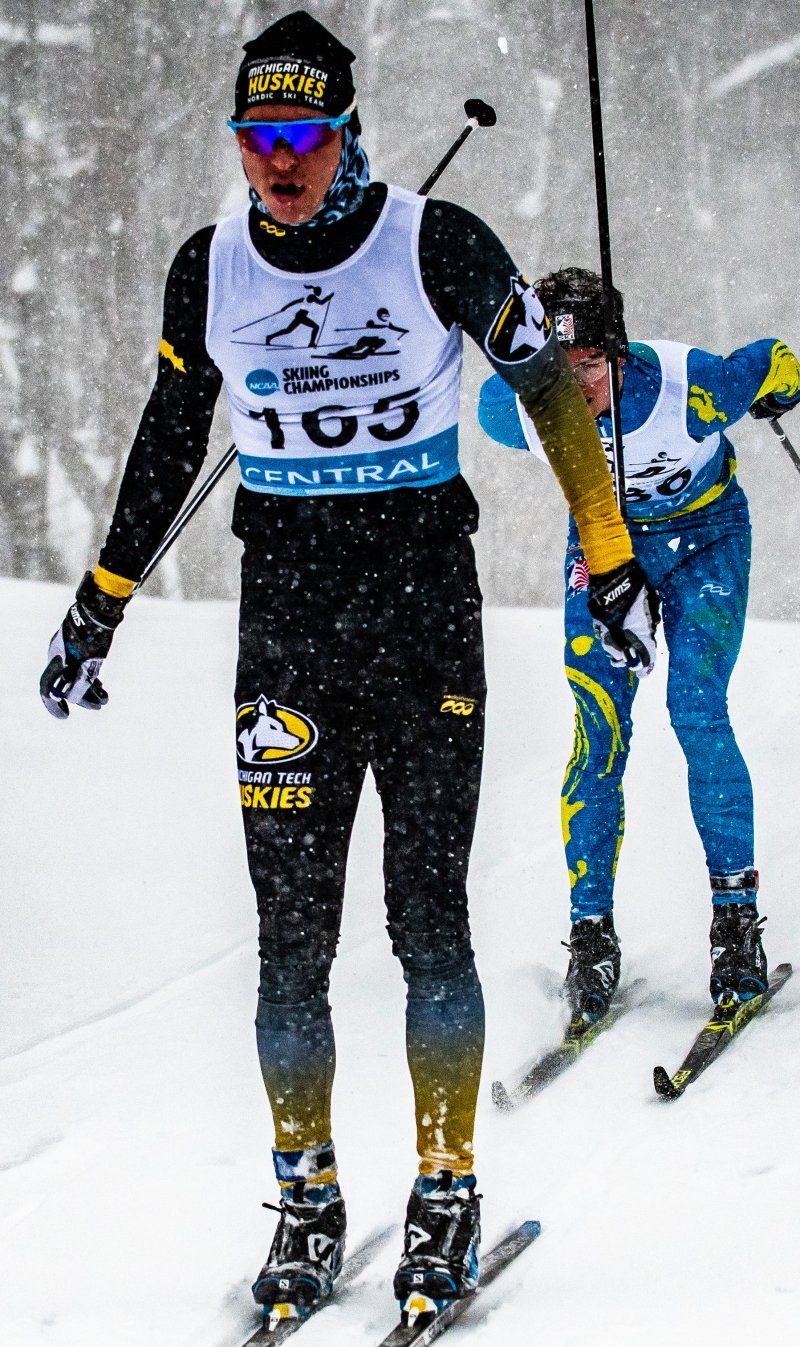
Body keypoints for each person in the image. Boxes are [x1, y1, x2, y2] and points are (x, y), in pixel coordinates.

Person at [39, 15, 656, 1330]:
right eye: (256, 137)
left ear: (346, 129)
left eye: (301, 135)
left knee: (426, 919)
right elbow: (167, 435)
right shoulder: (209, 268)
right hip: (290, 628)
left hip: (425, 613)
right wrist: (98, 604)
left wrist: (607, 552)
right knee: (291, 943)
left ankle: (445, 1190)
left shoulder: (434, 240)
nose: (278, 160)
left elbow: (548, 391)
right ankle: (308, 1198)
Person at [478, 265, 800, 1025]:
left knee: (695, 707)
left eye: (588, 367)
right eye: (554, 372)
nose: (573, 390)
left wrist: (780, 386)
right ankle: (591, 935)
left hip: (706, 541)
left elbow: (774, 357)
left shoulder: (696, 387)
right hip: (604, 547)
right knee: (599, 731)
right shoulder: (516, 408)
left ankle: (734, 927)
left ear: (617, 355)